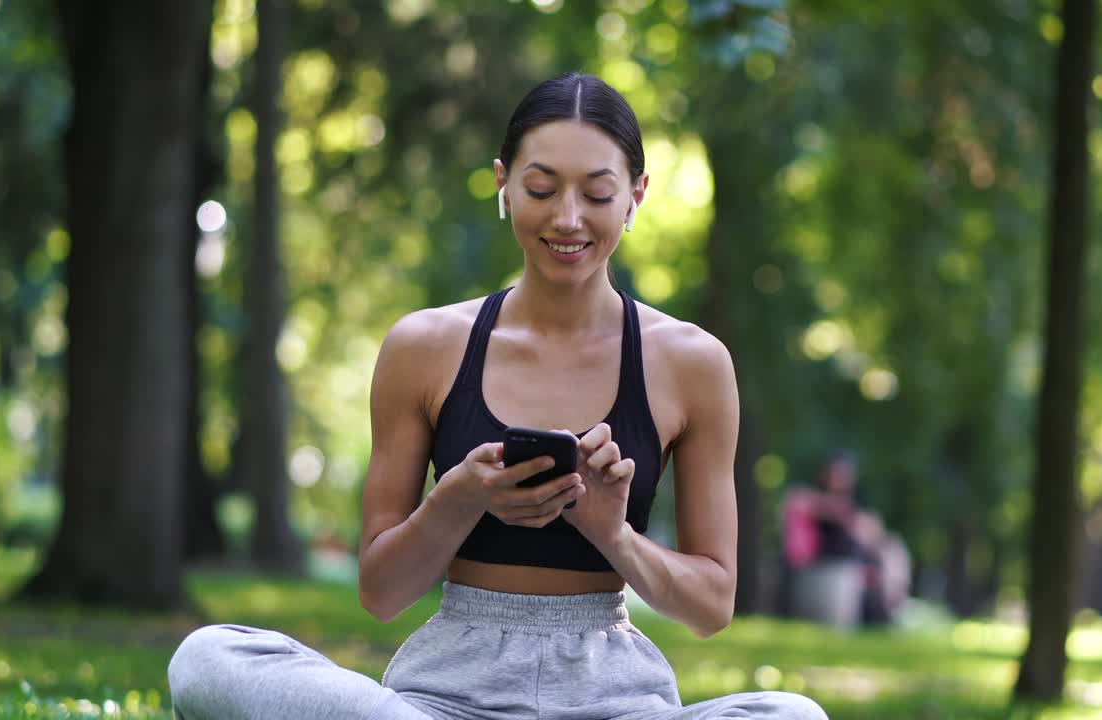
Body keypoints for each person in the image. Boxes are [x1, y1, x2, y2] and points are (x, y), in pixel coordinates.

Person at [168, 73, 826, 720]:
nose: (568, 219)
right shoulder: (424, 346)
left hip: (616, 698)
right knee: (208, 656)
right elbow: (381, 592)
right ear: (503, 183)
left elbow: (711, 605)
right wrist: (458, 497)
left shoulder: (693, 363)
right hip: (444, 698)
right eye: (541, 188)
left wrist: (614, 535)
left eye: (597, 194)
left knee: (792, 714)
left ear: (637, 196)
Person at [781, 452, 910, 629]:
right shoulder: (818, 499)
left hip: (856, 566)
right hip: (829, 566)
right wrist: (837, 512)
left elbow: (873, 530)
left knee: (893, 549)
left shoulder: (857, 503)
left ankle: (893, 607)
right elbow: (796, 501)